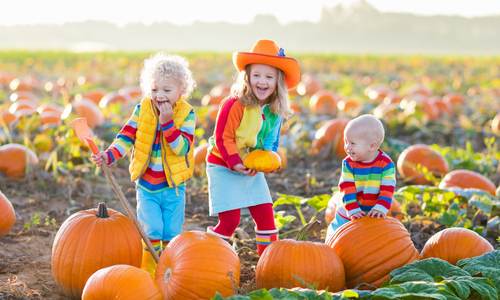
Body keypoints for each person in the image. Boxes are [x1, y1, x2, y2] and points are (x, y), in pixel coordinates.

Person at [91, 52, 196, 276]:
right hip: (147, 186)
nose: (159, 95)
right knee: (152, 229)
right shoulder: (143, 109)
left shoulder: (187, 115)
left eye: (167, 91)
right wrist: (109, 155)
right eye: (154, 89)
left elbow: (182, 149)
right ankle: (149, 272)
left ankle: (170, 272)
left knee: (171, 232)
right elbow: (126, 136)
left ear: (181, 91)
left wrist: (168, 124)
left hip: (174, 187)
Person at [205, 39, 301, 256]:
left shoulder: (275, 111)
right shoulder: (234, 104)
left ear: (278, 82)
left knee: (266, 214)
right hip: (223, 164)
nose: (262, 81)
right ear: (246, 77)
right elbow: (223, 138)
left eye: (269, 77)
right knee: (230, 221)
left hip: (250, 165)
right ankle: (210, 255)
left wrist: (269, 163)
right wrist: (235, 163)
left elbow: (269, 145)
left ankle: (268, 262)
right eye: (256, 75)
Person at [326, 114, 396, 240]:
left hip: (373, 212)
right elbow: (347, 187)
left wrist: (381, 207)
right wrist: (352, 209)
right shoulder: (348, 163)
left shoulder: (386, 165)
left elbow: (388, 189)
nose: (347, 147)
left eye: (352, 143)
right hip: (348, 211)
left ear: (372, 146)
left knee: (370, 241)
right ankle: (330, 249)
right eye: (346, 142)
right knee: (337, 235)